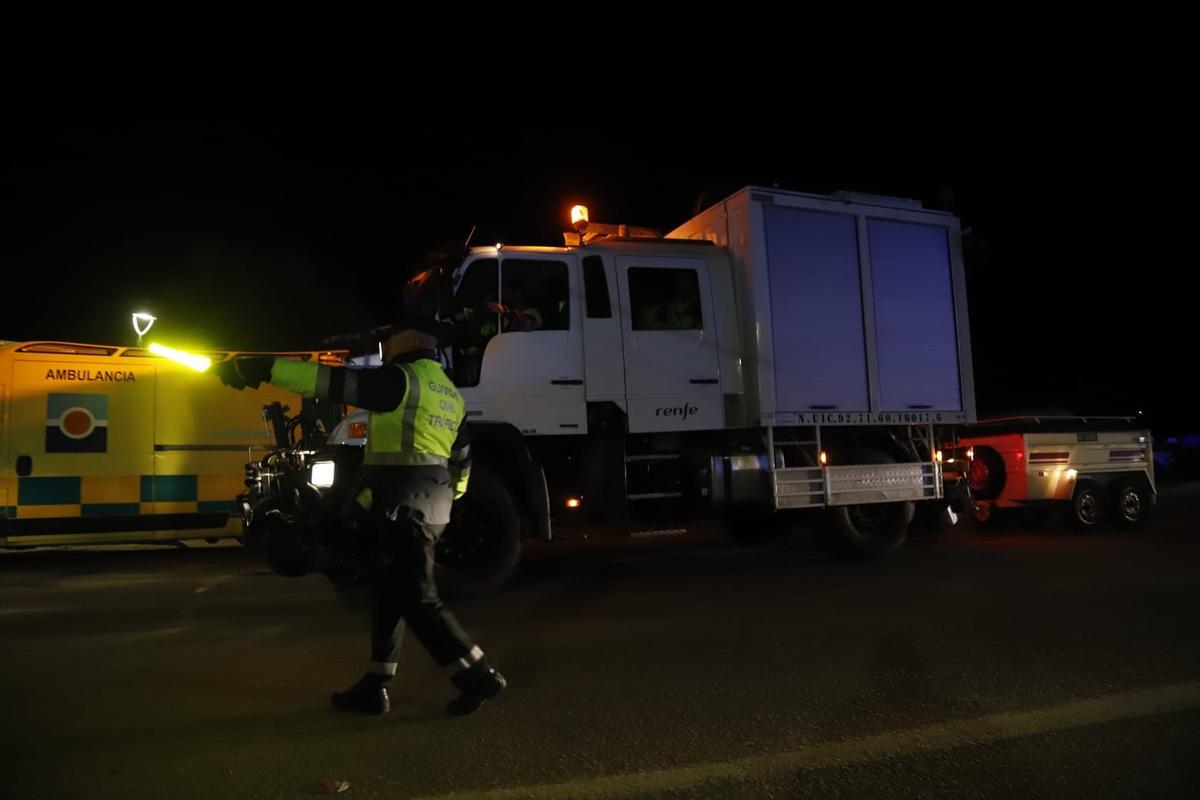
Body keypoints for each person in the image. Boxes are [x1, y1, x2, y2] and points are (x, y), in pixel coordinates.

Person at [212, 318, 506, 716]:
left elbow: (332, 383)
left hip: (403, 503)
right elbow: (463, 462)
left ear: (412, 341)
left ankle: (479, 675)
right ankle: (376, 684)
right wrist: (445, 501)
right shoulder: (449, 394)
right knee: (389, 592)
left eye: (390, 339)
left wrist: (264, 369)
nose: (385, 345)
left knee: (419, 598)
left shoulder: (401, 381)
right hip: (431, 503)